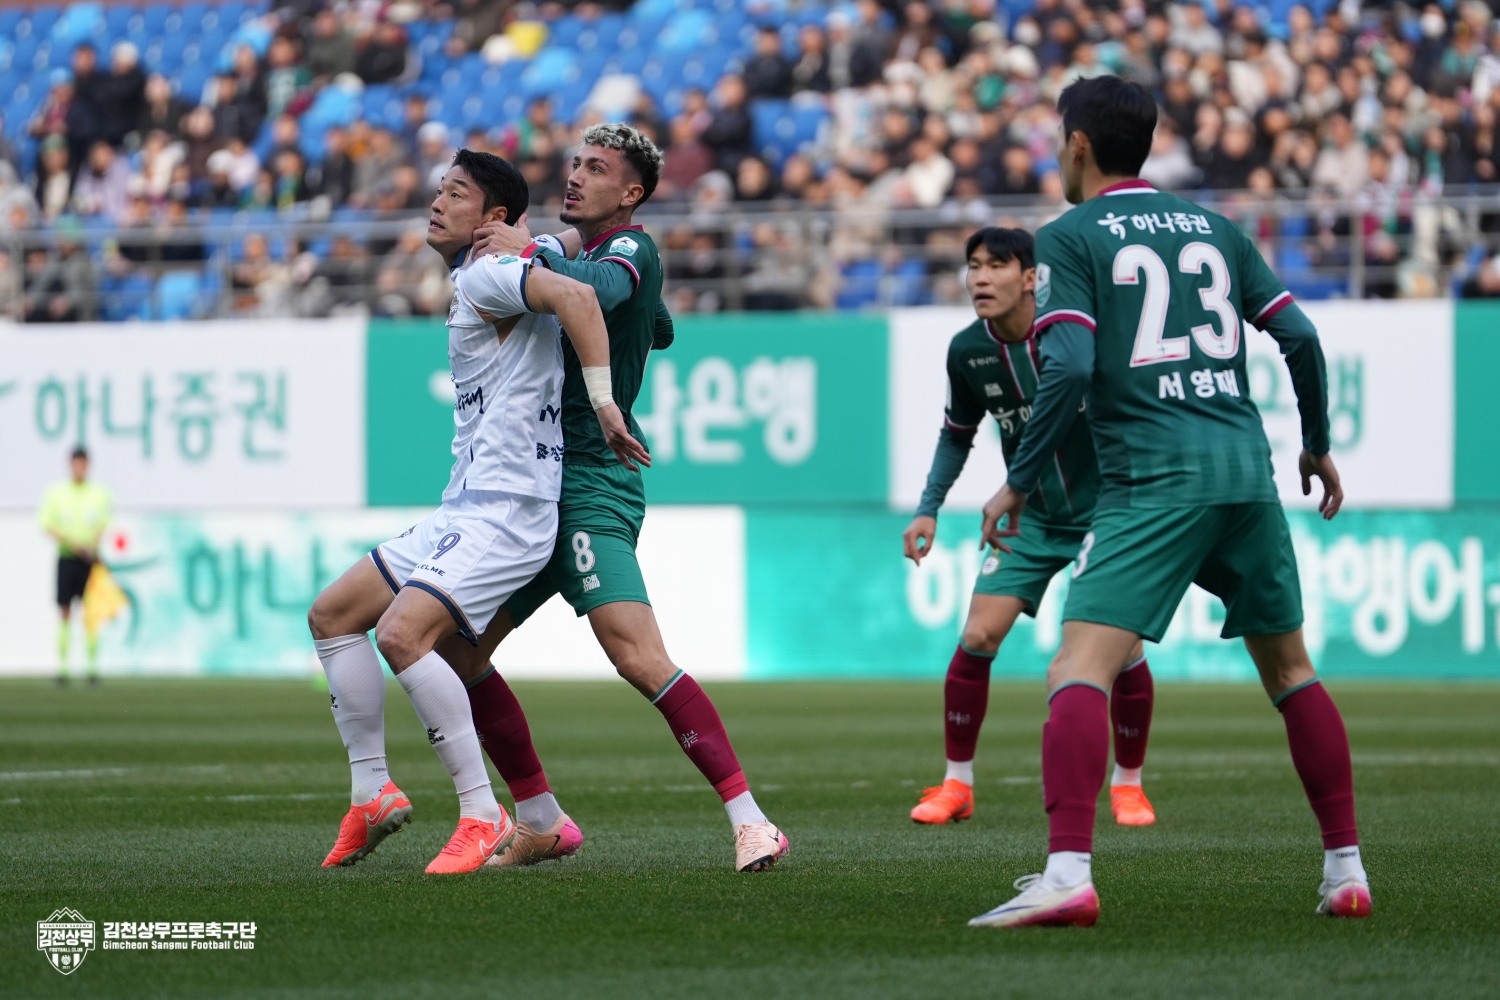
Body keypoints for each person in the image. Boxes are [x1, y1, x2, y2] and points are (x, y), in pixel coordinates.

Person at [970, 76, 1366, 928]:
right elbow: (1299, 335)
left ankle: (1068, 873)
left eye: (1058, 139)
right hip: (1246, 475)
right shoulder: (1215, 228)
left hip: (1152, 480)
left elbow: (1071, 367)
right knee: (1292, 672)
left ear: (1078, 145)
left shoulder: (1070, 235)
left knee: (1078, 669)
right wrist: (1316, 443)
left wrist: (1019, 479)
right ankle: (1346, 869)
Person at [304, 150, 648, 875]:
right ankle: (371, 792)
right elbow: (566, 252)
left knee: (402, 637)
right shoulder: (494, 263)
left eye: (456, 194)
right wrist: (559, 237)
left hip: (506, 510)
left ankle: (482, 813)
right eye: (439, 190)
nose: (437, 203)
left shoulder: (488, 272)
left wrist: (605, 401)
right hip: (466, 504)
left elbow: (579, 299)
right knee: (333, 616)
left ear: (491, 217)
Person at [461, 123, 791, 874]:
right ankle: (540, 819)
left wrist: (535, 251)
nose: (576, 176)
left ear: (631, 193)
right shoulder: (593, 253)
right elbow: (660, 325)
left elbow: (608, 291)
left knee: (637, 656)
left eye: (598, 169)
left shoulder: (631, 249)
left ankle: (752, 821)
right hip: (535, 488)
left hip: (588, 484)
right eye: (575, 163)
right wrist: (580, 272)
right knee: (460, 650)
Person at [902, 227, 1156, 829]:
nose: (980, 278)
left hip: (1107, 512)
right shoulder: (969, 351)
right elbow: (956, 435)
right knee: (978, 634)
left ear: (1031, 277)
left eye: (996, 265)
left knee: (1123, 650)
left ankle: (1129, 784)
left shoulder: (1075, 335)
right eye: (973, 266)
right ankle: (957, 783)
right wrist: (928, 506)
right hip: (1032, 516)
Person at [38, 448, 112, 685]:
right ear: (70, 465)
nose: (79, 467)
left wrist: (90, 544)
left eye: (83, 463)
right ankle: (63, 669)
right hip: (67, 558)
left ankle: (91, 668)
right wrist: (73, 543)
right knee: (65, 611)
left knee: (90, 613)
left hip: (89, 559)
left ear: (88, 465)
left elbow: (104, 522)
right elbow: (47, 524)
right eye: (76, 463)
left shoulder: (99, 493)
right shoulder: (57, 493)